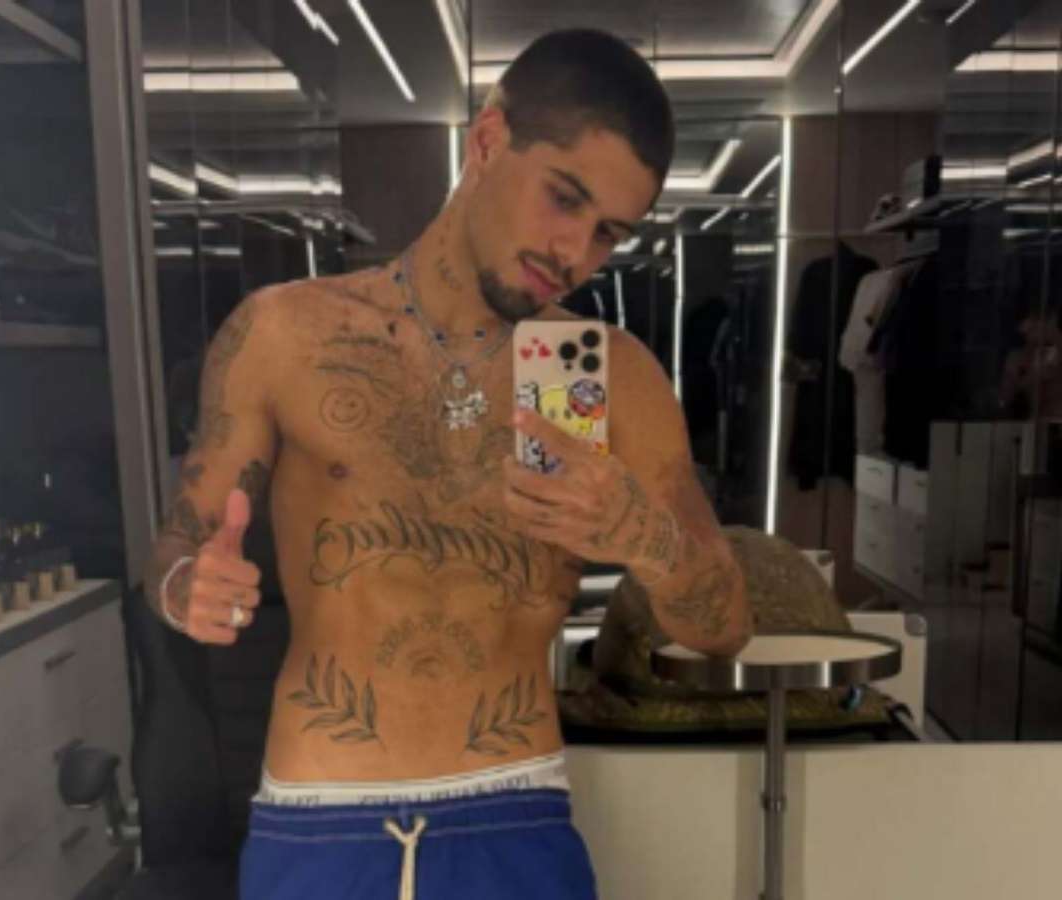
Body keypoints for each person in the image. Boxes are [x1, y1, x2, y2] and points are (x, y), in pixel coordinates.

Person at [144, 28, 753, 900]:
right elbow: (176, 544)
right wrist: (185, 587)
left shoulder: (603, 374)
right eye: (564, 198)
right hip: (320, 818)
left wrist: (642, 537)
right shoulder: (286, 335)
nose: (574, 253)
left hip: (514, 812)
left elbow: (725, 625)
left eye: (607, 233)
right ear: (489, 138)